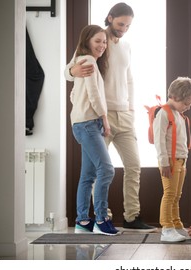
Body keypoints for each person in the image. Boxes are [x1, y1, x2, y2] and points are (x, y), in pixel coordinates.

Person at [65, 3, 156, 232]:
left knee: (133, 165)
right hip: (97, 117)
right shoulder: (96, 40)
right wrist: (72, 72)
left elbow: (129, 79)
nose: (124, 29)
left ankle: (131, 216)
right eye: (120, 24)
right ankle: (101, 217)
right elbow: (69, 70)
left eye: (128, 25)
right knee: (99, 169)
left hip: (124, 115)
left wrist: (131, 109)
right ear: (110, 18)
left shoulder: (126, 46)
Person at [70, 25, 118, 235]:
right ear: (87, 40)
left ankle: (82, 222)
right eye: (97, 41)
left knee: (88, 175)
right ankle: (100, 219)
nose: (102, 45)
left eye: (104, 42)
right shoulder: (88, 60)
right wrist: (105, 119)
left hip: (83, 123)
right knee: (107, 169)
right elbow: (94, 94)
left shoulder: (85, 60)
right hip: (89, 123)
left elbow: (75, 93)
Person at [154, 77, 191, 242]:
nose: (188, 107)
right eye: (186, 104)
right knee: (169, 194)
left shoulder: (178, 114)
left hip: (181, 160)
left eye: (190, 104)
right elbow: (159, 140)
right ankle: (166, 228)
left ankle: (176, 224)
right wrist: (164, 162)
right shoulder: (163, 113)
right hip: (169, 161)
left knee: (176, 195)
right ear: (174, 97)